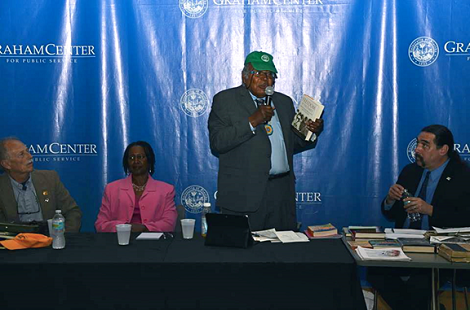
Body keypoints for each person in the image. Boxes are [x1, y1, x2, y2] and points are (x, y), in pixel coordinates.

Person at [208, 51, 324, 231]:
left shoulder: (284, 102)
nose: (266, 79)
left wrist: (310, 132)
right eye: (260, 74)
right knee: (245, 257)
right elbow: (218, 142)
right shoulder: (225, 100)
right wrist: (253, 121)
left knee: (281, 255)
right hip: (244, 194)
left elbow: (292, 144)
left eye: (270, 75)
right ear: (245, 77)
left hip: (281, 193)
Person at [368, 124, 470, 310]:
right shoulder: (410, 171)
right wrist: (390, 199)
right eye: (417, 144)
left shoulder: (463, 176)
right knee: (375, 272)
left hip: (439, 251)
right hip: (402, 244)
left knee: (418, 285)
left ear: (443, 150)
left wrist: (430, 210)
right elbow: (390, 214)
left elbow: (464, 220)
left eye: (425, 145)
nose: (417, 149)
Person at [0, 137, 82, 232]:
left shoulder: (50, 178)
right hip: (15, 242)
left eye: (27, 151)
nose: (30, 156)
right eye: (21, 154)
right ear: (6, 164)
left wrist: (62, 235)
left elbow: (73, 212)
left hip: (50, 240)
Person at [95, 141, 177, 232]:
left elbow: (169, 224)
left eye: (140, 157)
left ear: (149, 160)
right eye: (131, 157)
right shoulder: (111, 189)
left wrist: (144, 228)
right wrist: (124, 227)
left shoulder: (166, 190)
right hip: (119, 241)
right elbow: (100, 224)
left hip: (154, 242)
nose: (136, 161)